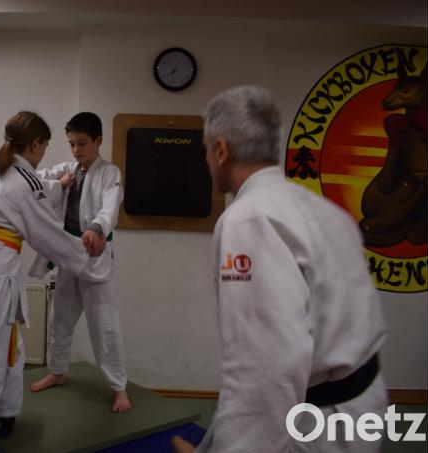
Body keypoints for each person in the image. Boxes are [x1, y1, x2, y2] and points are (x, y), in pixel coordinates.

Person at [172, 86, 388, 452]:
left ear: (221, 150)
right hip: (362, 401)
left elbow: (265, 366)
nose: (207, 158)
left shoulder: (248, 219)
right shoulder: (322, 209)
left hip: (317, 425)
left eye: (206, 149)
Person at [0, 111, 102, 453]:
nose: (45, 154)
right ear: (35, 144)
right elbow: (45, 232)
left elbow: (34, 191)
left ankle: (6, 412)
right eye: (46, 147)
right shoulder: (23, 182)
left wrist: (59, 185)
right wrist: (87, 256)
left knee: (11, 346)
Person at [27, 112, 132, 413]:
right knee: (59, 317)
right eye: (72, 143)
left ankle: (118, 388)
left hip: (94, 254)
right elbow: (34, 180)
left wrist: (97, 228)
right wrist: (59, 184)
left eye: (82, 143)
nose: (76, 150)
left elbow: (110, 207)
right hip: (67, 252)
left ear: (99, 140)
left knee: (104, 324)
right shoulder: (67, 169)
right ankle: (58, 371)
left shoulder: (110, 173)